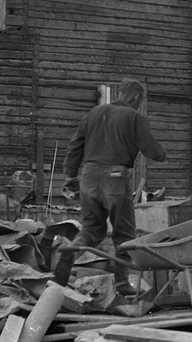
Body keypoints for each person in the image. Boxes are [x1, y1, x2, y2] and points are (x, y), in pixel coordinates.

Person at [57, 78, 167, 294]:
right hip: (115, 177)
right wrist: (162, 154)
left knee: (92, 229)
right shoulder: (134, 117)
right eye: (140, 100)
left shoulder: (94, 113)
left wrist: (70, 176)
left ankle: (72, 248)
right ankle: (122, 283)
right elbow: (151, 149)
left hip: (88, 175)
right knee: (124, 233)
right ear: (136, 97)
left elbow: (75, 145)